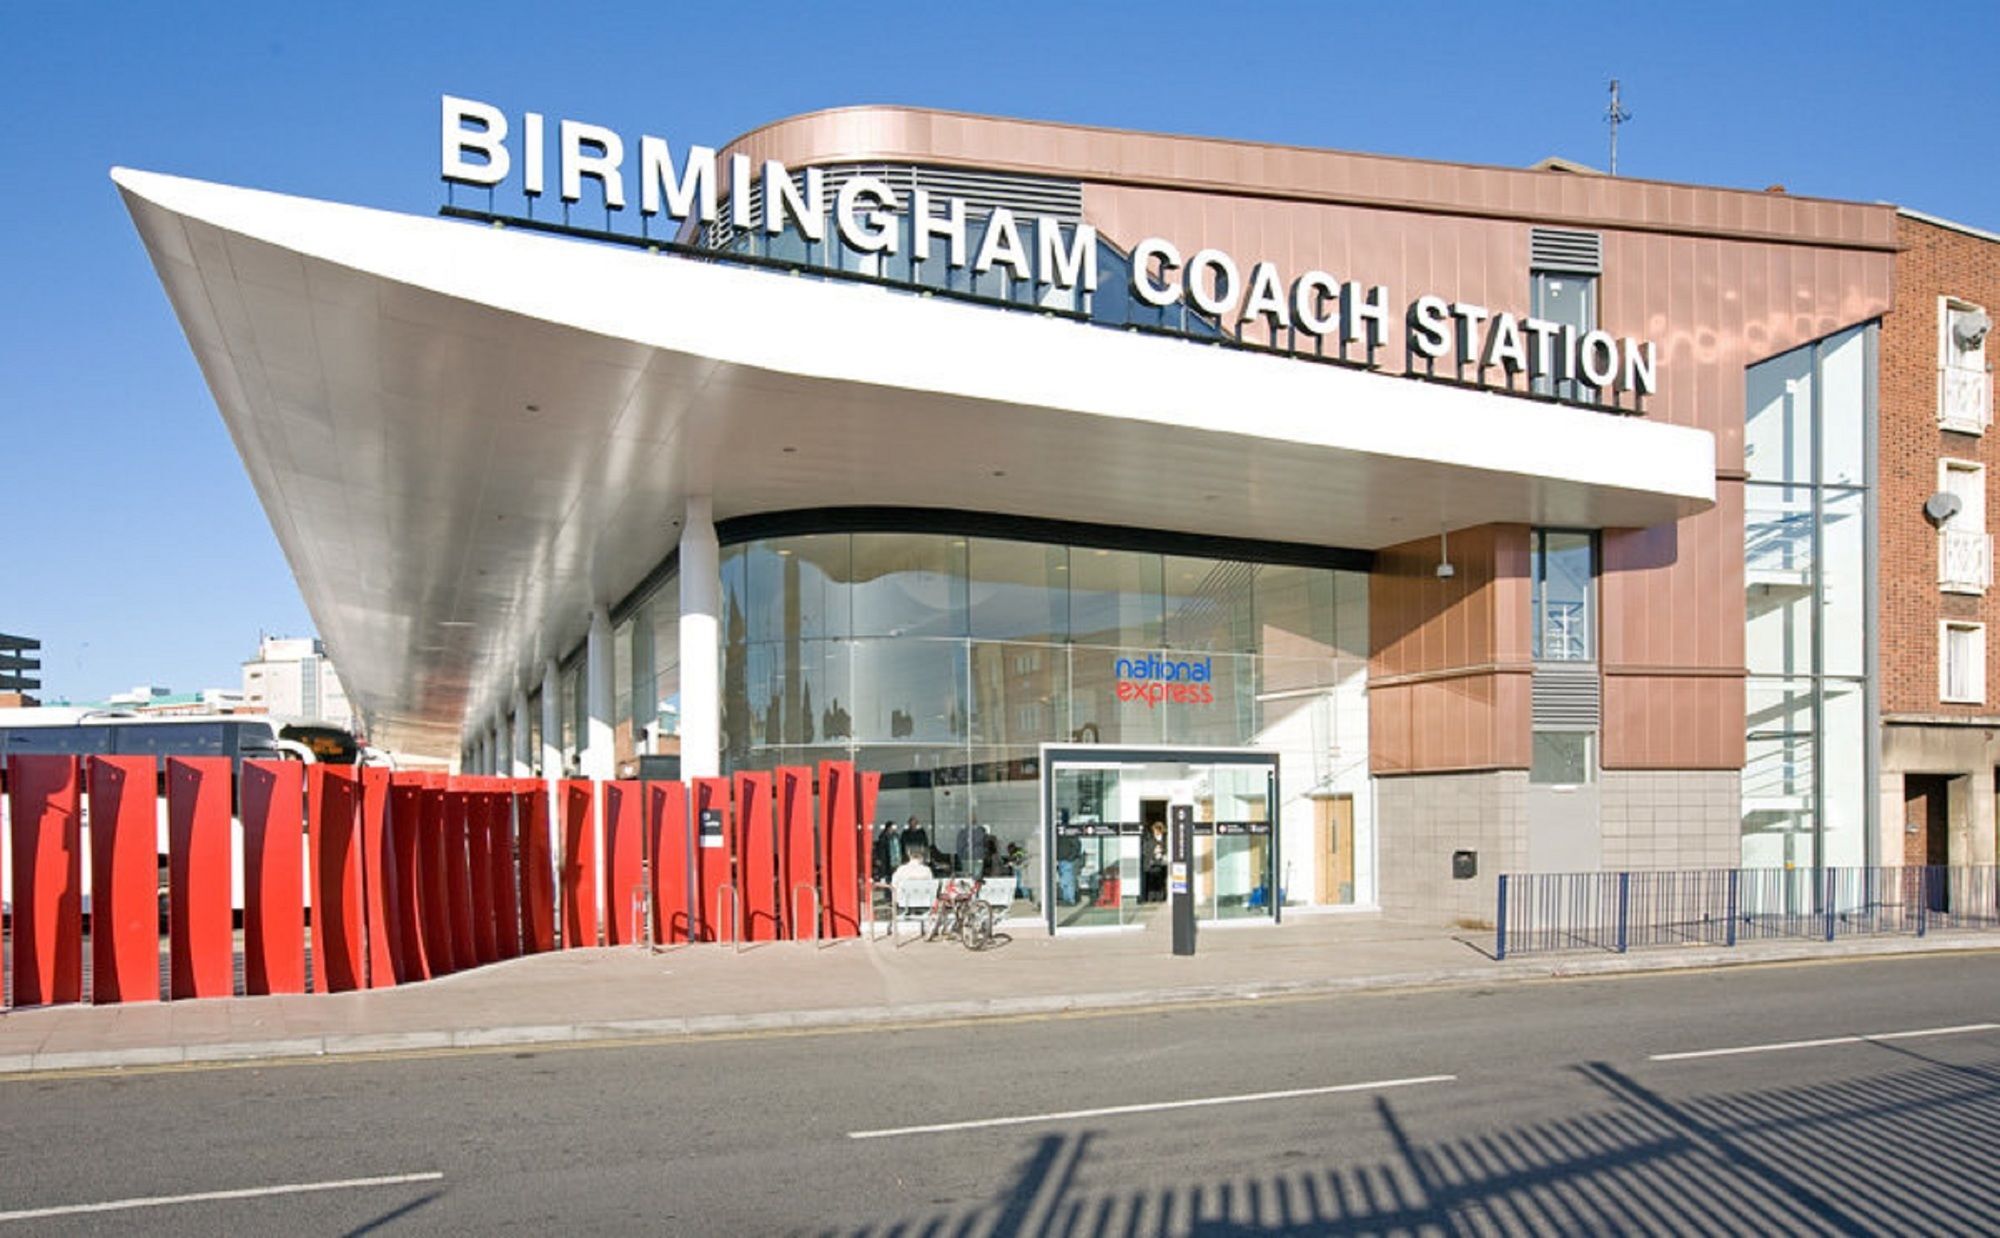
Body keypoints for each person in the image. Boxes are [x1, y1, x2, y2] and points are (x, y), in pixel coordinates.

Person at [1143, 820, 1168, 903]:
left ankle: (1160, 898)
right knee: (1151, 882)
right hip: (1152, 864)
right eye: (1154, 830)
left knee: (1160, 881)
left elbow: (1167, 850)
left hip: (1161, 864)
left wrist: (1162, 853)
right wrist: (1153, 855)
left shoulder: (1165, 840)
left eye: (1156, 830)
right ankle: (1151, 898)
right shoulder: (1149, 839)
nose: (1155, 832)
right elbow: (1146, 851)